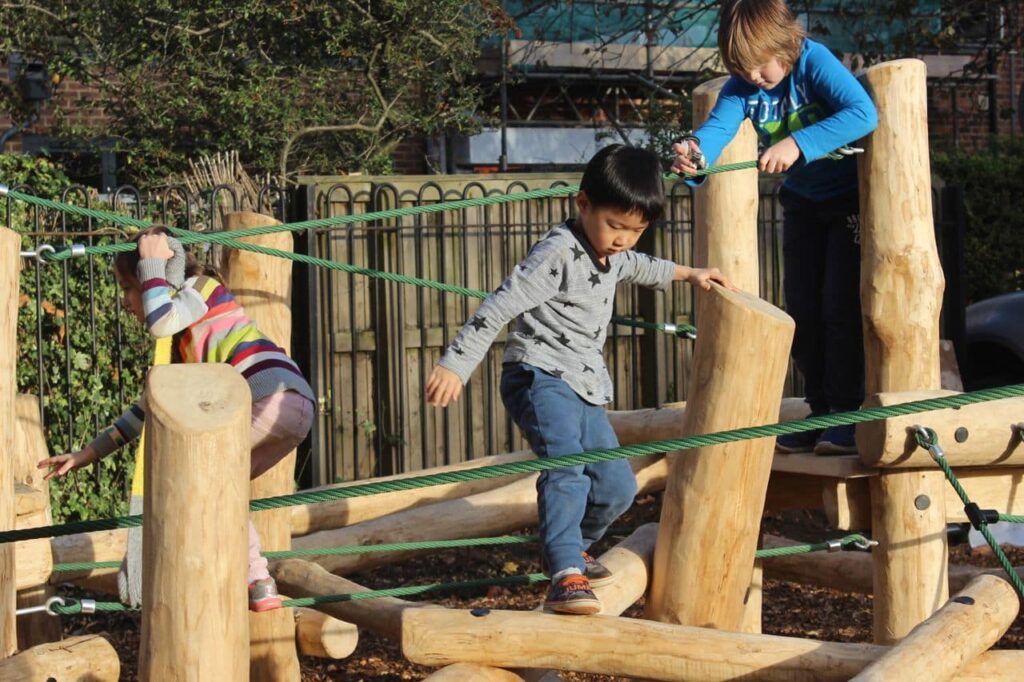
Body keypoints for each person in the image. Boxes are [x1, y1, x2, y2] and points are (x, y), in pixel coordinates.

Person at [426, 144, 734, 614]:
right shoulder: (558, 253)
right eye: (615, 226)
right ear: (583, 203)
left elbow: (643, 266)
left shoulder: (615, 254)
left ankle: (572, 551)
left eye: (636, 230)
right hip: (539, 374)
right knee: (567, 468)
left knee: (617, 487)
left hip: (584, 384)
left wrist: (691, 274)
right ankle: (565, 570)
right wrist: (456, 363)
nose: (622, 240)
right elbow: (499, 306)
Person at [38, 226, 316, 612]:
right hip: (291, 408)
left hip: (268, 395)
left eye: (127, 288)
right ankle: (257, 582)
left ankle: (215, 573)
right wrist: (87, 453)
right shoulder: (185, 349)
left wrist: (152, 263)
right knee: (218, 491)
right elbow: (146, 410)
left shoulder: (199, 290)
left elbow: (161, 321)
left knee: (189, 479)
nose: (125, 302)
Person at [672, 0, 878, 455]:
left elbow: (862, 113)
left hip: (848, 204)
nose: (753, 79)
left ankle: (847, 414)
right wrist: (694, 153)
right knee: (802, 309)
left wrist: (797, 143)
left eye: (759, 67)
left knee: (838, 308)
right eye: (741, 71)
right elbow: (717, 129)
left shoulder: (813, 62)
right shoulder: (742, 87)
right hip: (803, 204)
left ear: (783, 44)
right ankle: (820, 409)